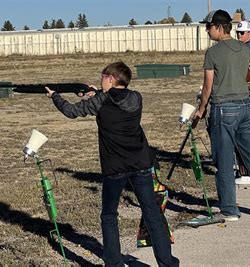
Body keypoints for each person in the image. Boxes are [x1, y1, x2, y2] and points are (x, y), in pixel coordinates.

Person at [45, 62, 179, 267]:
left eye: (103, 76)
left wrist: (55, 96)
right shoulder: (136, 98)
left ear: (111, 78)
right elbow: (117, 97)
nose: (100, 79)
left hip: (115, 167)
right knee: (152, 212)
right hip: (141, 163)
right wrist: (96, 92)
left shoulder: (101, 100)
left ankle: (114, 263)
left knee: (109, 216)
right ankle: (167, 263)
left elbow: (71, 111)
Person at [195, 9, 250, 221]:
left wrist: (200, 109)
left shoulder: (213, 53)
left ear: (218, 27)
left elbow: (207, 87)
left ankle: (229, 209)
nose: (207, 31)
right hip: (245, 108)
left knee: (224, 160)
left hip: (222, 109)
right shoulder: (244, 50)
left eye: (208, 27)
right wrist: (240, 83)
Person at [234, 20, 250, 186]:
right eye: (237, 33)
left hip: (248, 92)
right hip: (248, 91)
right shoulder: (248, 47)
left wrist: (244, 89)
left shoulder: (247, 48)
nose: (239, 35)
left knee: (244, 129)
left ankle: (247, 170)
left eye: (242, 33)